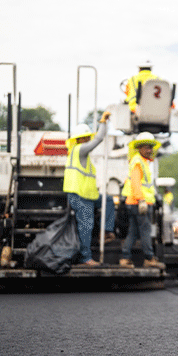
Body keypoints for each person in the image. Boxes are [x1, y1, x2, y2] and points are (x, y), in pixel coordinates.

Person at [63, 113, 116, 267]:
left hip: (86, 194)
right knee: (86, 225)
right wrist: (103, 122)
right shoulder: (80, 150)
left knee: (107, 200)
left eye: (87, 137)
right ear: (79, 139)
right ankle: (85, 258)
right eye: (84, 137)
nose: (87, 140)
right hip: (80, 195)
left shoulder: (78, 152)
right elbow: (99, 139)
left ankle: (106, 232)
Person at [119, 132, 166, 270]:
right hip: (140, 203)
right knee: (145, 231)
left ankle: (125, 257)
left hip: (137, 202)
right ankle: (149, 258)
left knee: (133, 232)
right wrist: (141, 201)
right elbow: (136, 184)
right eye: (146, 147)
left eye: (150, 147)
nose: (150, 150)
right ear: (139, 148)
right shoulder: (138, 162)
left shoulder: (142, 161)